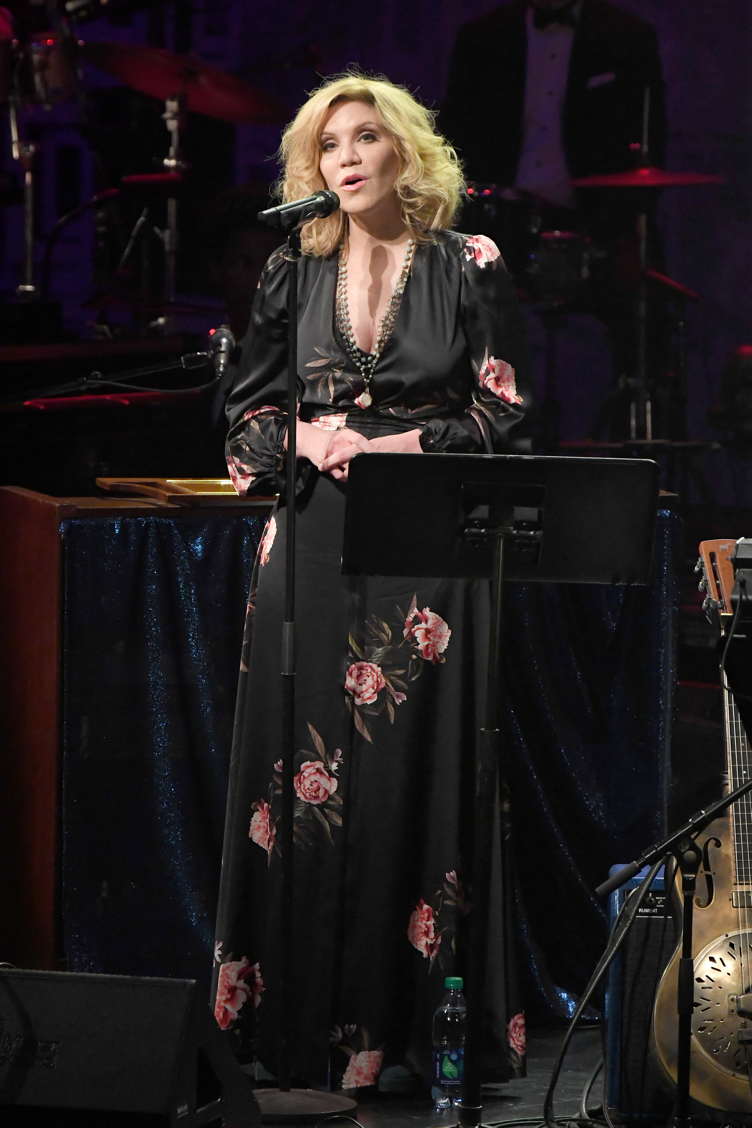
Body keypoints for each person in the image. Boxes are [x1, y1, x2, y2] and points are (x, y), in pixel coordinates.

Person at [211, 72, 530, 1093]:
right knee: (297, 776)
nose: (345, 157)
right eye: (328, 144)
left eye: (364, 138)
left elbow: (501, 413)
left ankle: (393, 1031)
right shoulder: (291, 269)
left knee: (403, 778)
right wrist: (300, 439)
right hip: (309, 537)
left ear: (405, 152)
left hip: (421, 544)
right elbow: (246, 418)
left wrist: (393, 444)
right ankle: (296, 1026)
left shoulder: (467, 262)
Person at [441, 0, 667, 438]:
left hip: (594, 221)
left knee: (636, 331)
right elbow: (454, 135)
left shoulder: (625, 35)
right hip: (501, 219)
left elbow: (650, 141)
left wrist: (617, 227)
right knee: (473, 334)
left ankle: (614, 446)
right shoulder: (484, 36)